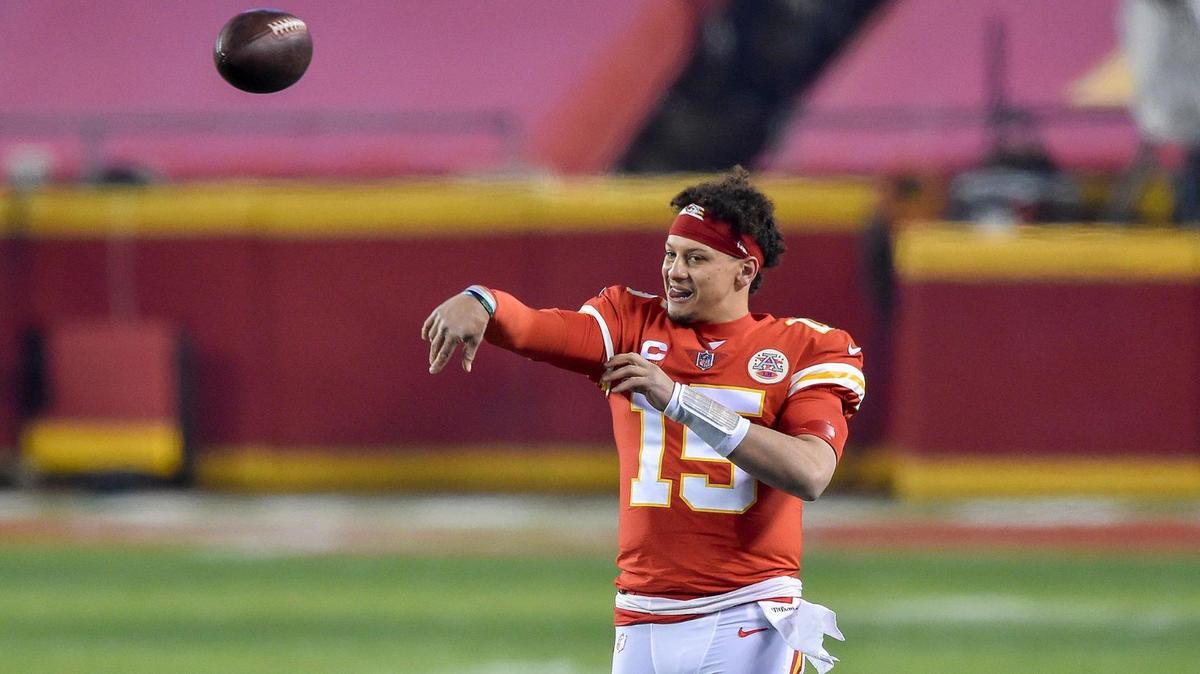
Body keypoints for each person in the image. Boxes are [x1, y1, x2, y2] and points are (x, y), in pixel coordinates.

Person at [422, 168, 863, 674]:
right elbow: (537, 329)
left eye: (696, 258)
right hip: (641, 615)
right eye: (671, 253)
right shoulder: (630, 321)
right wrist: (484, 301)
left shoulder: (806, 346)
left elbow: (811, 473)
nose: (675, 270)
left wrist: (678, 398)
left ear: (744, 271)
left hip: (749, 611)